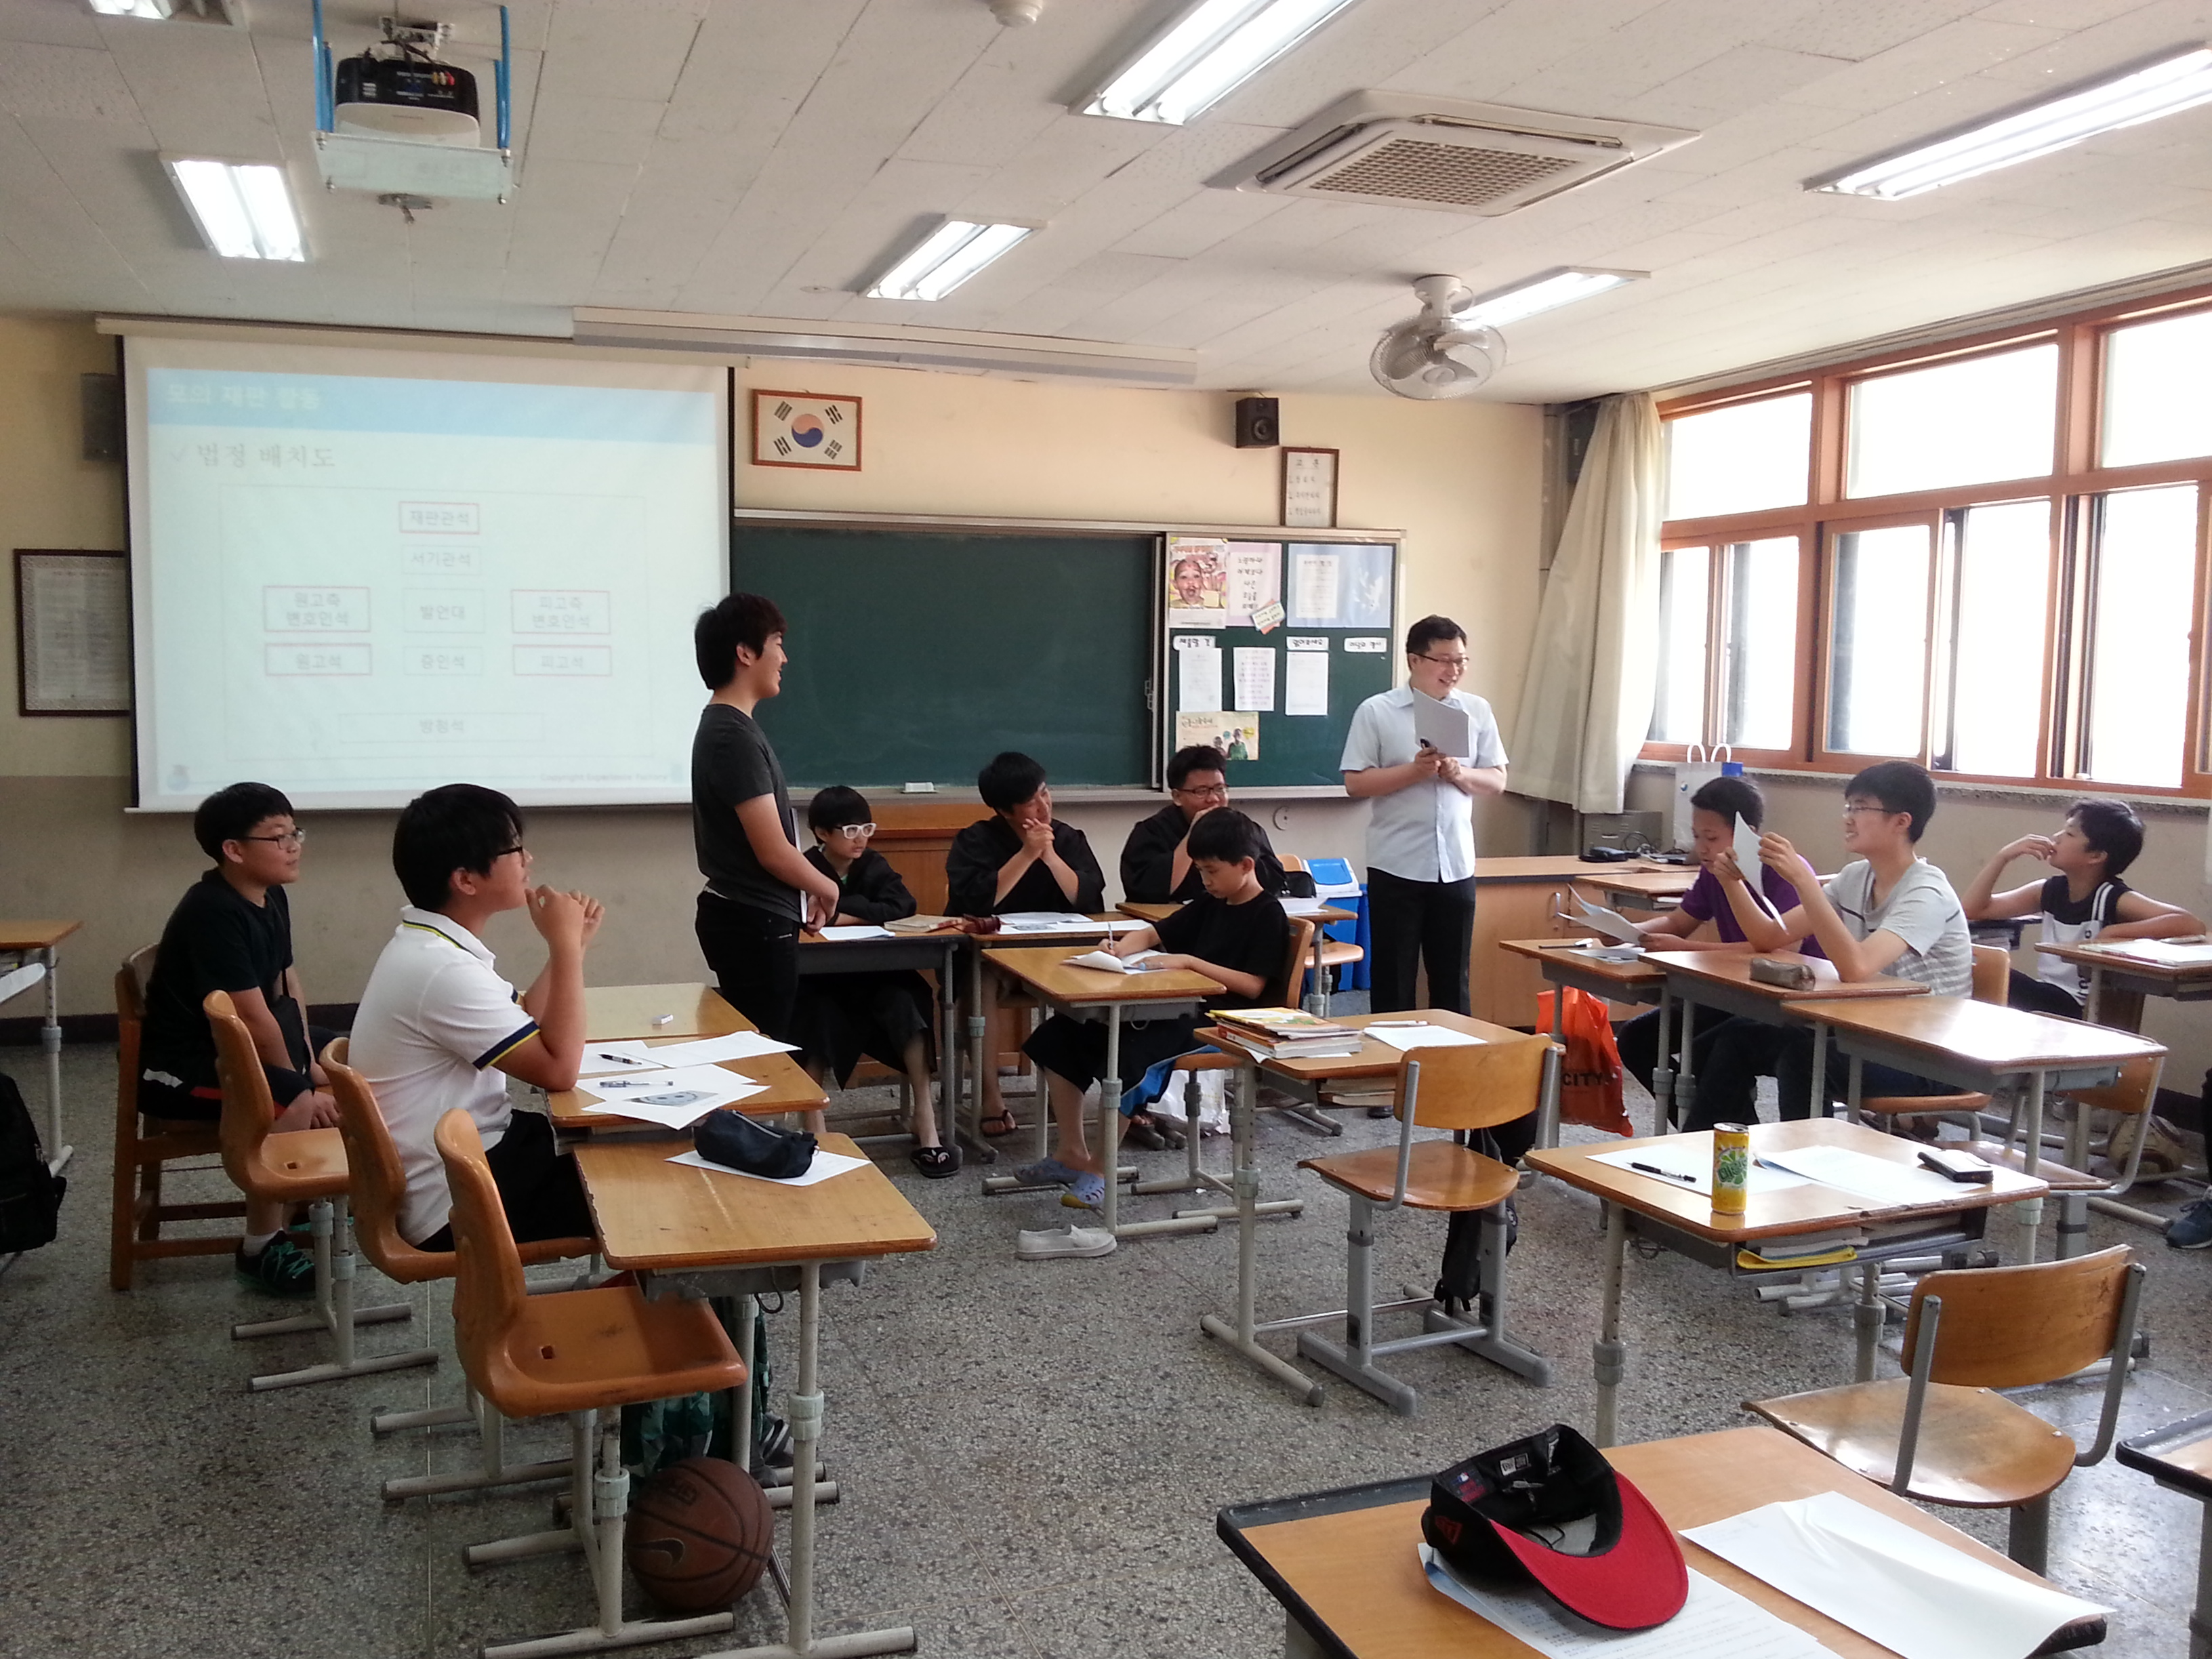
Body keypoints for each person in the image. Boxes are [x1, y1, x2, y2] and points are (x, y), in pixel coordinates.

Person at [349, 784, 603, 1253]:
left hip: (473, 1161)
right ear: (466, 880)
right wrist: (565, 947)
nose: (528, 859)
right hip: (457, 1200)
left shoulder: (431, 945)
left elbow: (523, 1020)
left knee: (628, 1155)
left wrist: (571, 948)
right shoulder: (441, 969)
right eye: (514, 849)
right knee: (646, 1186)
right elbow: (559, 1071)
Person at [1015, 809, 1290, 1214]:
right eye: (1200, 871)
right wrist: (1118, 950)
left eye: (1212, 871)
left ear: (1246, 865)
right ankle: (1071, 1152)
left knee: (1131, 1059)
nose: (1205, 880)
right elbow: (1152, 932)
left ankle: (1102, 1169)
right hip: (1178, 1009)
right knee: (1059, 1035)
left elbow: (1253, 986)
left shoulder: (1267, 913)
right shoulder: (1212, 902)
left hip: (1222, 1025)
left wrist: (1189, 962)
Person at [137, 781, 338, 1295]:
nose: (293, 846)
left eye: (295, 833)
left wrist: (311, 1060)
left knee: (344, 1056)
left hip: (233, 1048)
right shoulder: (213, 911)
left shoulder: (271, 896)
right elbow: (249, 1018)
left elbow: (286, 989)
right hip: (182, 1067)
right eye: (278, 836)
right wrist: (302, 1083)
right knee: (288, 1098)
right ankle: (261, 1245)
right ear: (234, 849)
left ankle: (303, 1199)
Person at [1705, 760, 1973, 1126]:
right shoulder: (1855, 877)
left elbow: (1856, 968)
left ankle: (1805, 1158)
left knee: (1804, 1059)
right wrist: (1732, 882)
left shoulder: (1927, 892)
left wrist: (1804, 881)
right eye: (1848, 807)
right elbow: (1768, 937)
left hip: (1928, 1055)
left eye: (1861, 808)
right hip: (1869, 1034)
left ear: (1901, 822)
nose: (1848, 818)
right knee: (1737, 1037)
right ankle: (1721, 1150)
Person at [1342, 616, 1506, 1113]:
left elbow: (1497, 780)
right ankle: (1389, 1081)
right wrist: (1413, 772)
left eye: (1461, 660)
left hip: (1455, 864)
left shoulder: (1476, 710)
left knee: (1452, 977)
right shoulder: (1377, 711)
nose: (1453, 670)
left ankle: (1453, 1079)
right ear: (1415, 660)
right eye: (1444, 660)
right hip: (1396, 863)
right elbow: (1355, 783)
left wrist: (1460, 774)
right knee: (1393, 977)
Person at [1615, 775, 1822, 1106]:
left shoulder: (1783, 871)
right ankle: (1699, 1122)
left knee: (1710, 1048)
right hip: (1731, 991)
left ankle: (1719, 1126)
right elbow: (1678, 922)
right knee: (1636, 1038)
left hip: (1784, 998)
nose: (1701, 847)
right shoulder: (1713, 870)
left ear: (1747, 834)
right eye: (1697, 836)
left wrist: (1687, 949)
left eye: (1711, 837)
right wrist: (1627, 931)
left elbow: (1781, 951)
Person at [691, 592, 840, 1046]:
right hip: (752, 921)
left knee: (761, 1049)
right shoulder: (732, 736)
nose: (784, 658)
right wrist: (827, 887)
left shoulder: (731, 728)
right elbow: (773, 850)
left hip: (750, 916)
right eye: (777, 642)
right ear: (745, 653)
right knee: (762, 1056)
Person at [794, 786, 957, 1178]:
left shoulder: (873, 864)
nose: (861, 839)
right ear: (822, 833)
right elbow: (797, 914)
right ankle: (814, 1127)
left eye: (867, 829)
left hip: (877, 976)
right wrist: (864, 912)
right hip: (822, 982)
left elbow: (902, 906)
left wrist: (840, 915)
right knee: (809, 1013)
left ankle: (925, 1120)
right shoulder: (804, 865)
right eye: (850, 830)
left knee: (909, 1002)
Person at [945, 752, 1106, 1135]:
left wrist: (1050, 857)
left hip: (1055, 952)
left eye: (1045, 793)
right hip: (993, 957)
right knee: (978, 984)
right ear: (1005, 811)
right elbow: (976, 901)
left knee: (1097, 981)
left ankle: (1067, 1087)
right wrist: (1027, 854)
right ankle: (990, 1096)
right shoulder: (975, 840)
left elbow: (1088, 899)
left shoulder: (1067, 837)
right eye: (1032, 802)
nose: (1044, 806)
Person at [1961, 799, 2201, 1018]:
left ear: (2096, 856)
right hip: (2047, 994)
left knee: (1983, 975)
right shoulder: (2048, 890)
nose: (2056, 838)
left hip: (2077, 1006)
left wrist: (2114, 933)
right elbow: (1974, 909)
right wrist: (2003, 857)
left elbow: (2189, 923)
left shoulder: (2111, 897)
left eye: (2069, 834)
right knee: (1975, 970)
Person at [1120, 744, 1277, 904]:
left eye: (1220, 789)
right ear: (1177, 797)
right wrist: (1193, 834)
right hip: (1172, 916)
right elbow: (1146, 893)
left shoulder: (1244, 829)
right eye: (1201, 792)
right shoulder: (1151, 832)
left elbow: (1274, 881)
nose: (1213, 799)